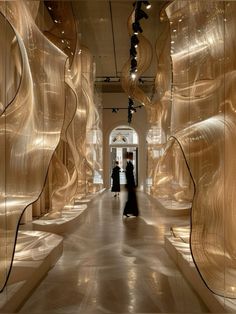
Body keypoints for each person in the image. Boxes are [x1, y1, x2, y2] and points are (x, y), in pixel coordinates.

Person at [123, 152, 139, 217]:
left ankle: (128, 211)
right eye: (131, 156)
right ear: (129, 156)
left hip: (130, 183)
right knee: (131, 198)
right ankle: (128, 211)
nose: (132, 157)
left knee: (131, 198)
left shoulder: (129, 163)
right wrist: (132, 184)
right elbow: (129, 175)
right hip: (130, 184)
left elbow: (129, 175)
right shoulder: (128, 164)